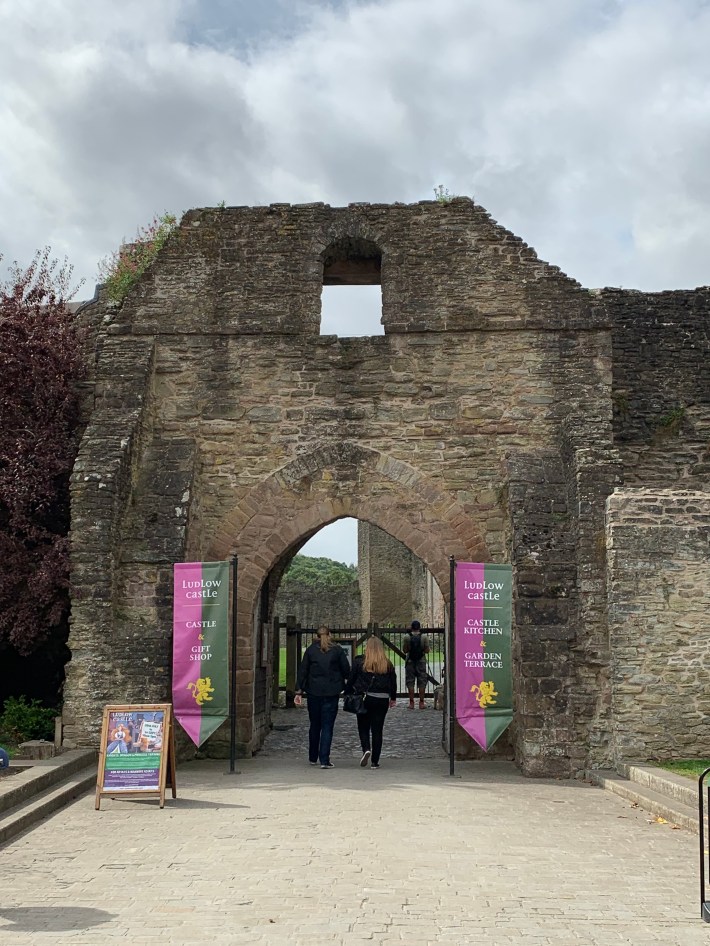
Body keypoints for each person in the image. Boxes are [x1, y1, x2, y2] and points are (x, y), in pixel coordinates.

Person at [295, 626, 350, 769]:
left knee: (315, 725)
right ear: (329, 634)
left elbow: (303, 671)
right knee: (327, 726)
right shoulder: (337, 650)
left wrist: (299, 691)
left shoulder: (311, 651)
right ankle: (324, 759)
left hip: (314, 692)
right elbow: (346, 669)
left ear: (317, 636)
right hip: (331, 692)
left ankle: (313, 757)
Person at [345, 636, 396, 769]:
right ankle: (375, 761)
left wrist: (347, 692)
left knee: (363, 726)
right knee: (377, 730)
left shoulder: (360, 662)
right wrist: (393, 698)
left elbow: (351, 679)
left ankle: (366, 749)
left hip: (365, 698)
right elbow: (393, 682)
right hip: (382, 699)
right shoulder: (387, 664)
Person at [403, 620, 430, 709]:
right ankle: (421, 703)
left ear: (411, 627)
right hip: (421, 661)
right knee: (422, 681)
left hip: (410, 661)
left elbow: (405, 650)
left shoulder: (407, 637)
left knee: (410, 681)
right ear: (419, 627)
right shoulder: (424, 637)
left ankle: (411, 703)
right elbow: (427, 650)